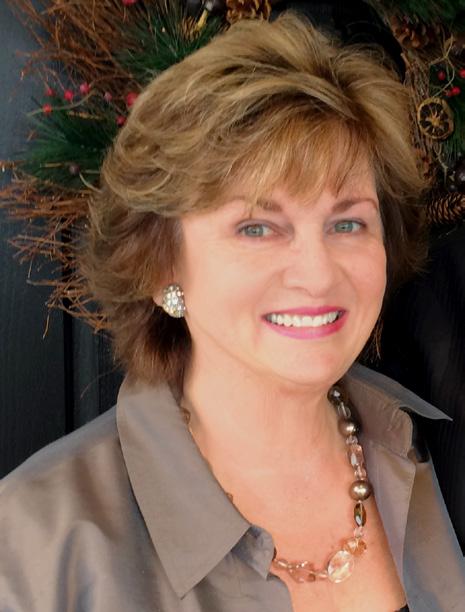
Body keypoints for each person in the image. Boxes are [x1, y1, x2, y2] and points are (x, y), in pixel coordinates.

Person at [1, 12, 464, 612]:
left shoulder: (435, 451)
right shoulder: (32, 548)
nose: (317, 272)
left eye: (348, 223)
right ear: (161, 264)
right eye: (257, 228)